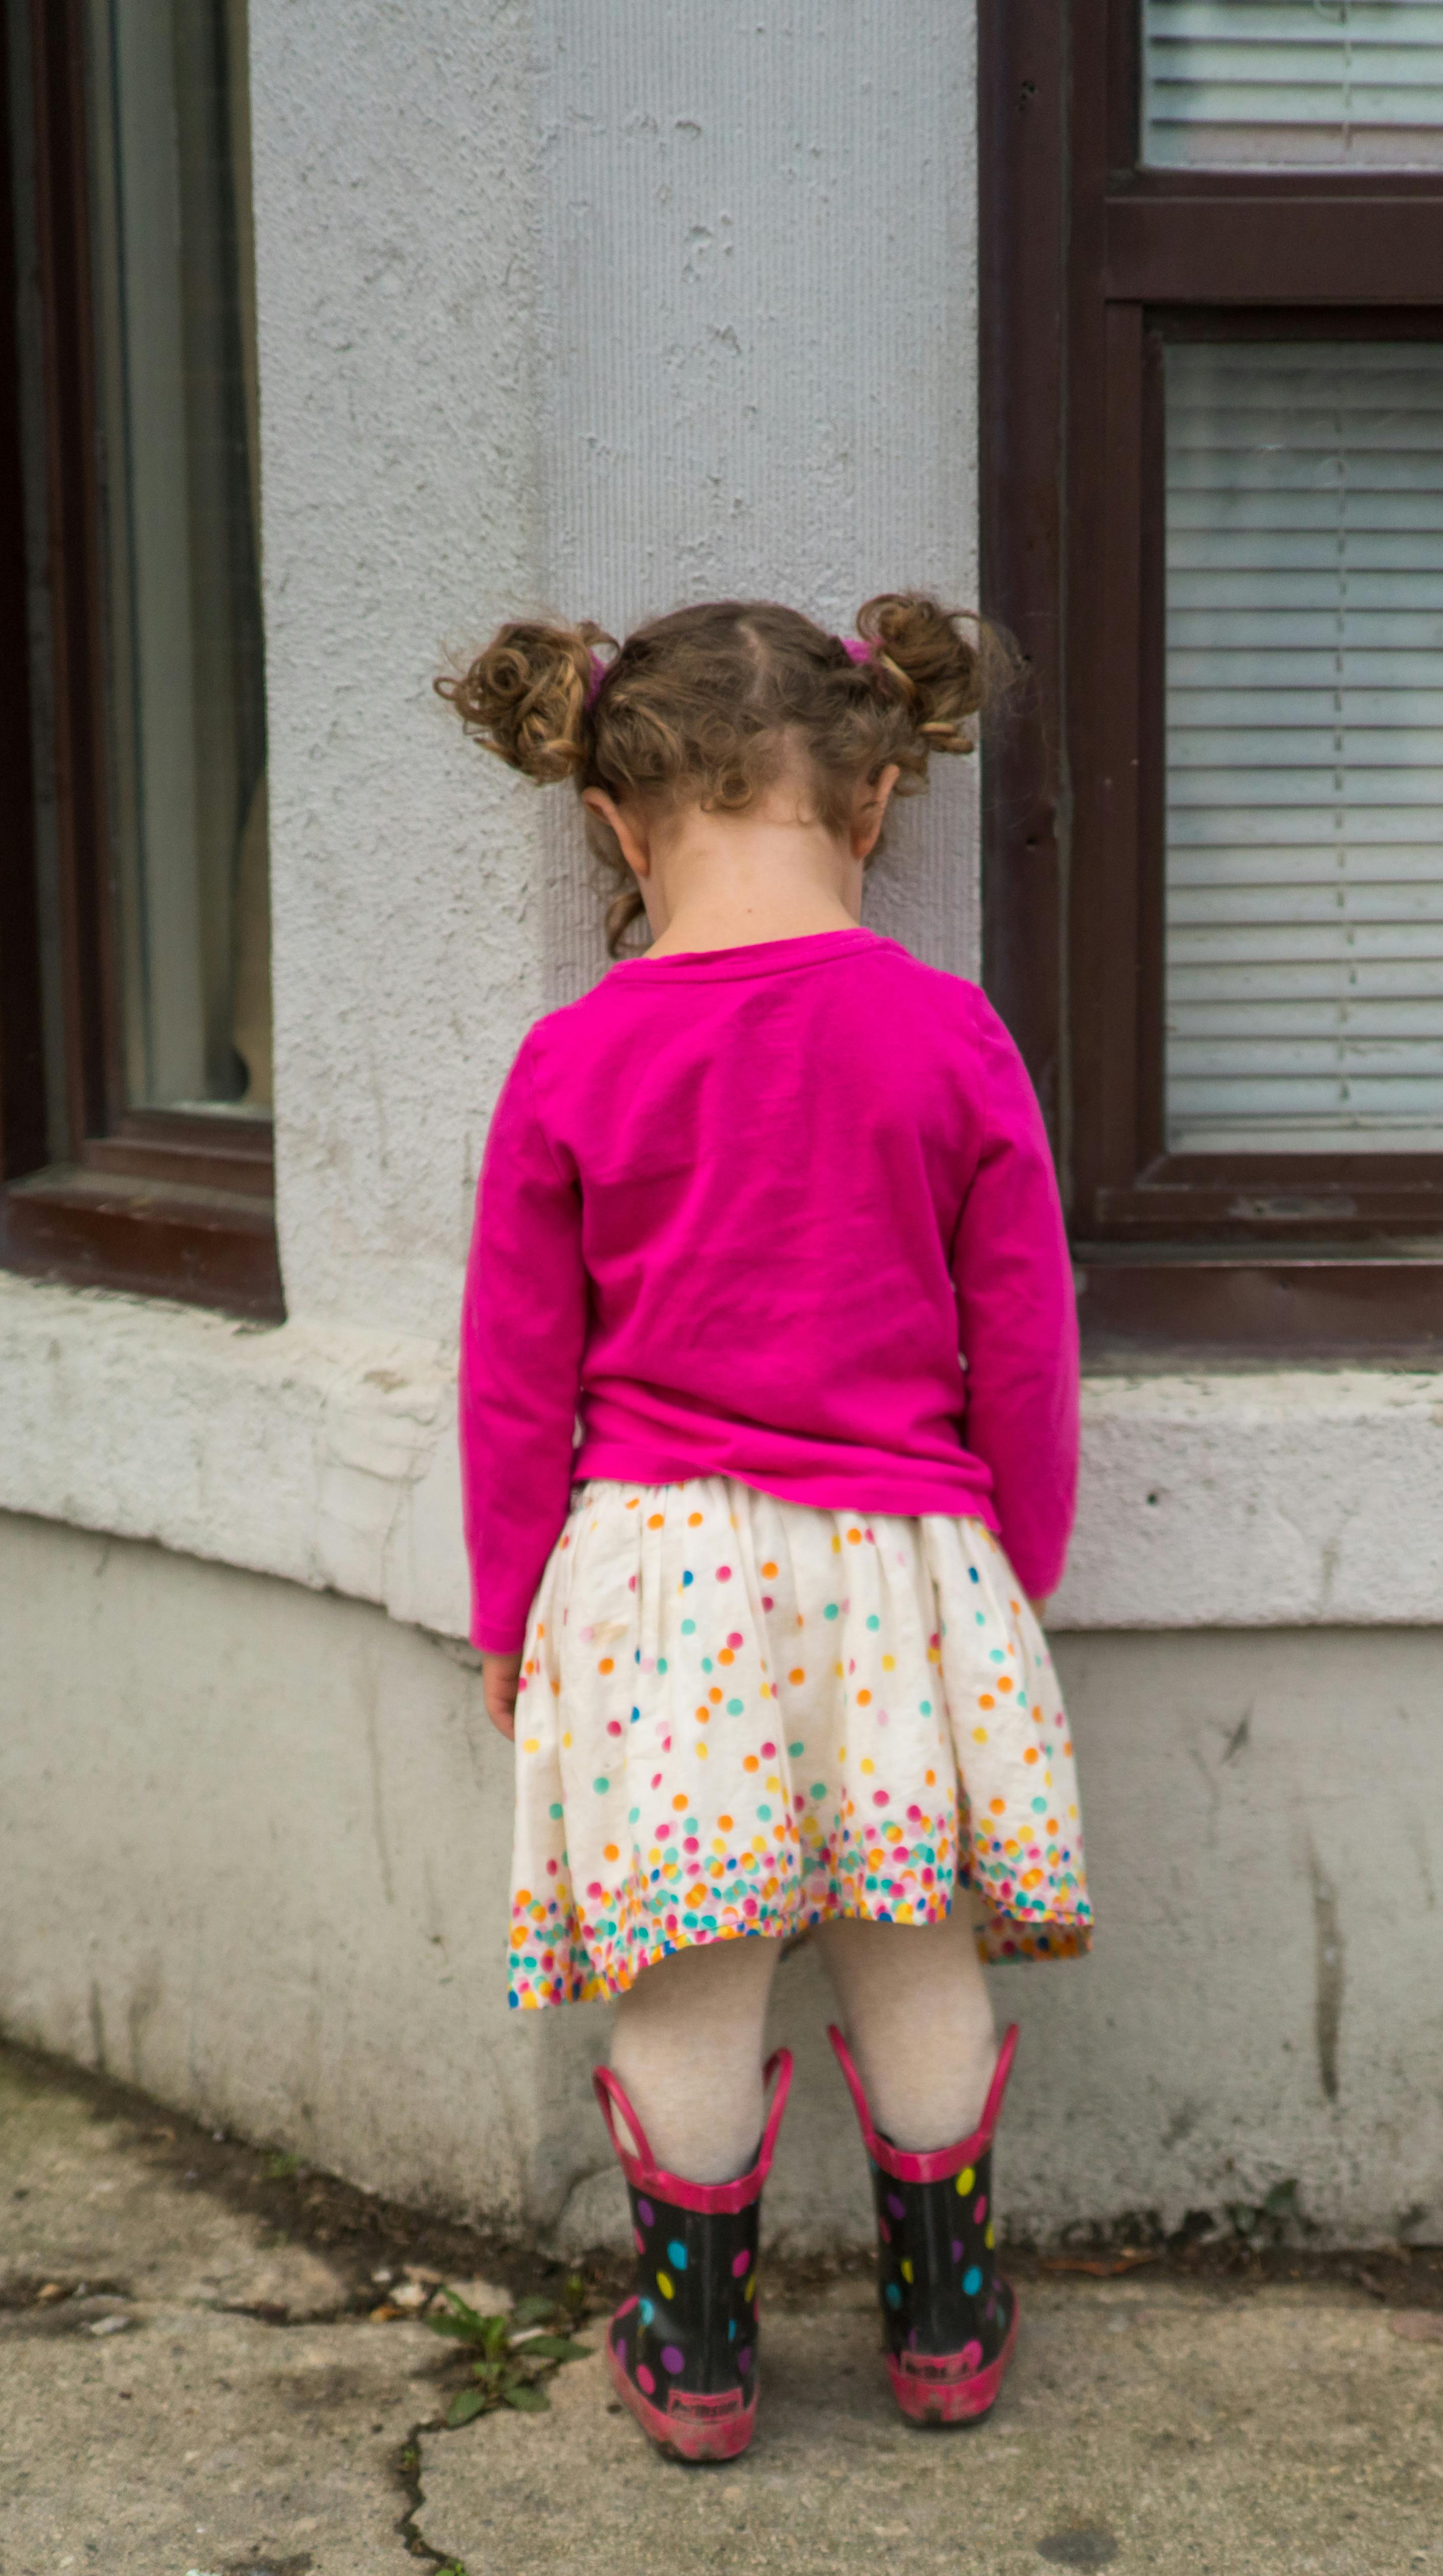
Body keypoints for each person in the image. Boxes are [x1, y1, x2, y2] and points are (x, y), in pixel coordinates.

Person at [439, 595, 1086, 2464]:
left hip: (658, 1576)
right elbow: (1025, 1345)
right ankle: (946, 2329)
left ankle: (700, 2358)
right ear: (876, 800)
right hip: (902, 1565)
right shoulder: (952, 1039)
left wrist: (508, 1616)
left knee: (691, 1964)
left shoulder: (573, 1061)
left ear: (622, 827)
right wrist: (1012, 1571)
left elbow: (513, 1382)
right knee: (911, 1943)